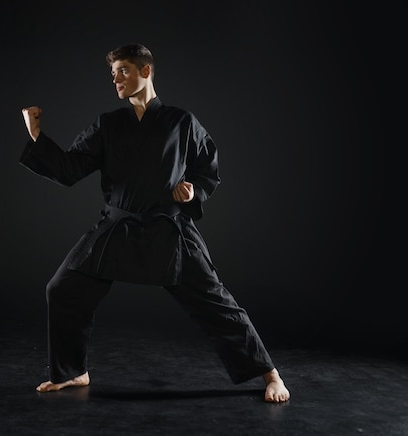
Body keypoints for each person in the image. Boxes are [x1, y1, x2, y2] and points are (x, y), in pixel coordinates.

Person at [20, 43, 290, 403]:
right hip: (118, 227)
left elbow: (208, 171)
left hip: (169, 230)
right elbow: (70, 169)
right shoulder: (109, 124)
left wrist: (192, 193)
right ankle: (72, 371)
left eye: (124, 70)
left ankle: (271, 375)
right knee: (62, 289)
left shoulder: (182, 122)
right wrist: (36, 135)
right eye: (113, 73)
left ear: (146, 71)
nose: (116, 79)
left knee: (217, 304)